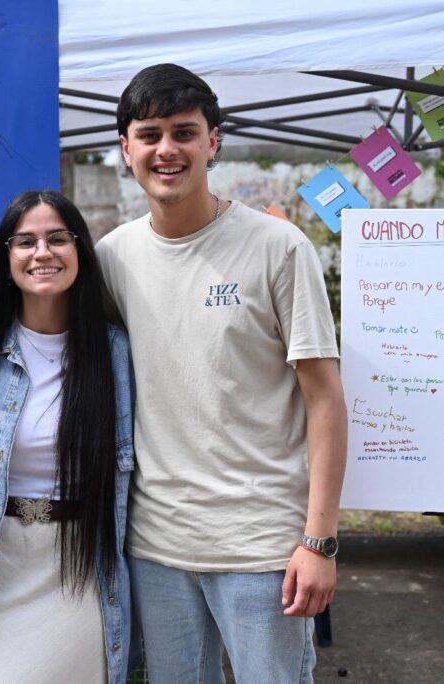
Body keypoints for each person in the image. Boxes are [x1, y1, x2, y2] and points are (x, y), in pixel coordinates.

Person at [96, 63, 348, 683]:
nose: (166, 150)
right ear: (125, 147)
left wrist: (319, 542)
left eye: (184, 132)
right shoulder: (111, 257)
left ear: (213, 141)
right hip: (154, 547)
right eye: (149, 134)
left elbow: (325, 400)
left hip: (262, 548)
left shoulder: (278, 248)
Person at [0, 190, 135, 683]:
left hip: (78, 573)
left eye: (57, 239)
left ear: (80, 251)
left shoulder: (115, 352)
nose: (42, 253)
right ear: (6, 258)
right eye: (25, 241)